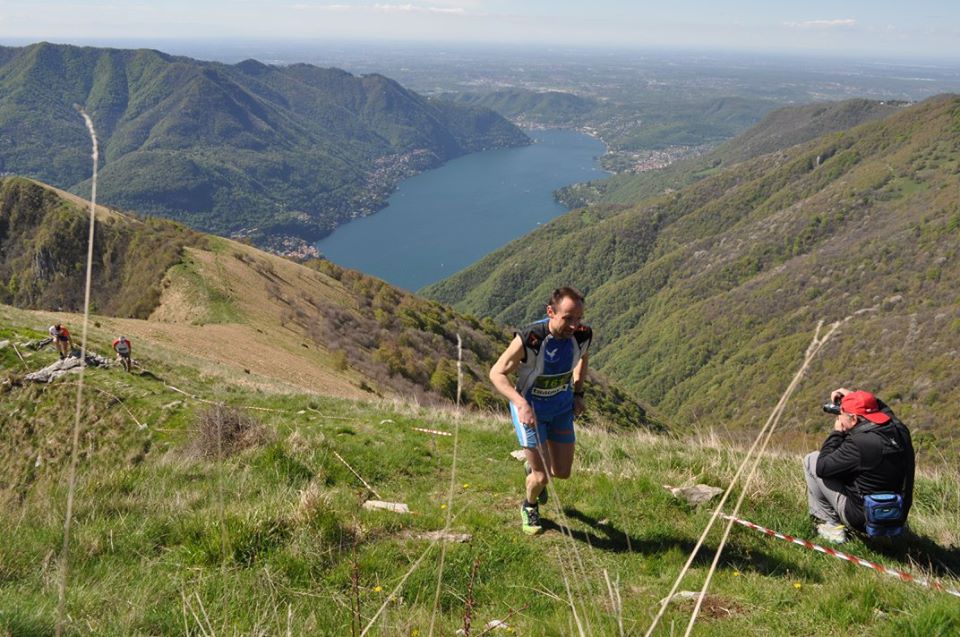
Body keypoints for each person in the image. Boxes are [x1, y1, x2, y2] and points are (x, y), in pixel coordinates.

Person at [489, 287, 592, 535]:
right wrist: (520, 404)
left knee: (563, 473)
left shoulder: (582, 335)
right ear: (550, 312)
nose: (574, 325)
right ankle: (530, 505)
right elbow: (496, 373)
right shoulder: (531, 338)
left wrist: (578, 393)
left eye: (578, 318)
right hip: (531, 412)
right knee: (543, 476)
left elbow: (583, 359)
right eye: (567, 318)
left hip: (561, 409)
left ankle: (533, 471)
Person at [803, 387, 915, 544]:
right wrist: (855, 397)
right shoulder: (899, 429)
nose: (839, 419)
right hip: (898, 514)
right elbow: (883, 409)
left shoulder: (859, 444)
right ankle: (892, 532)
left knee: (811, 460)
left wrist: (837, 433)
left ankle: (831, 527)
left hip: (863, 519)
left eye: (841, 415)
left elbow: (822, 467)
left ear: (854, 419)